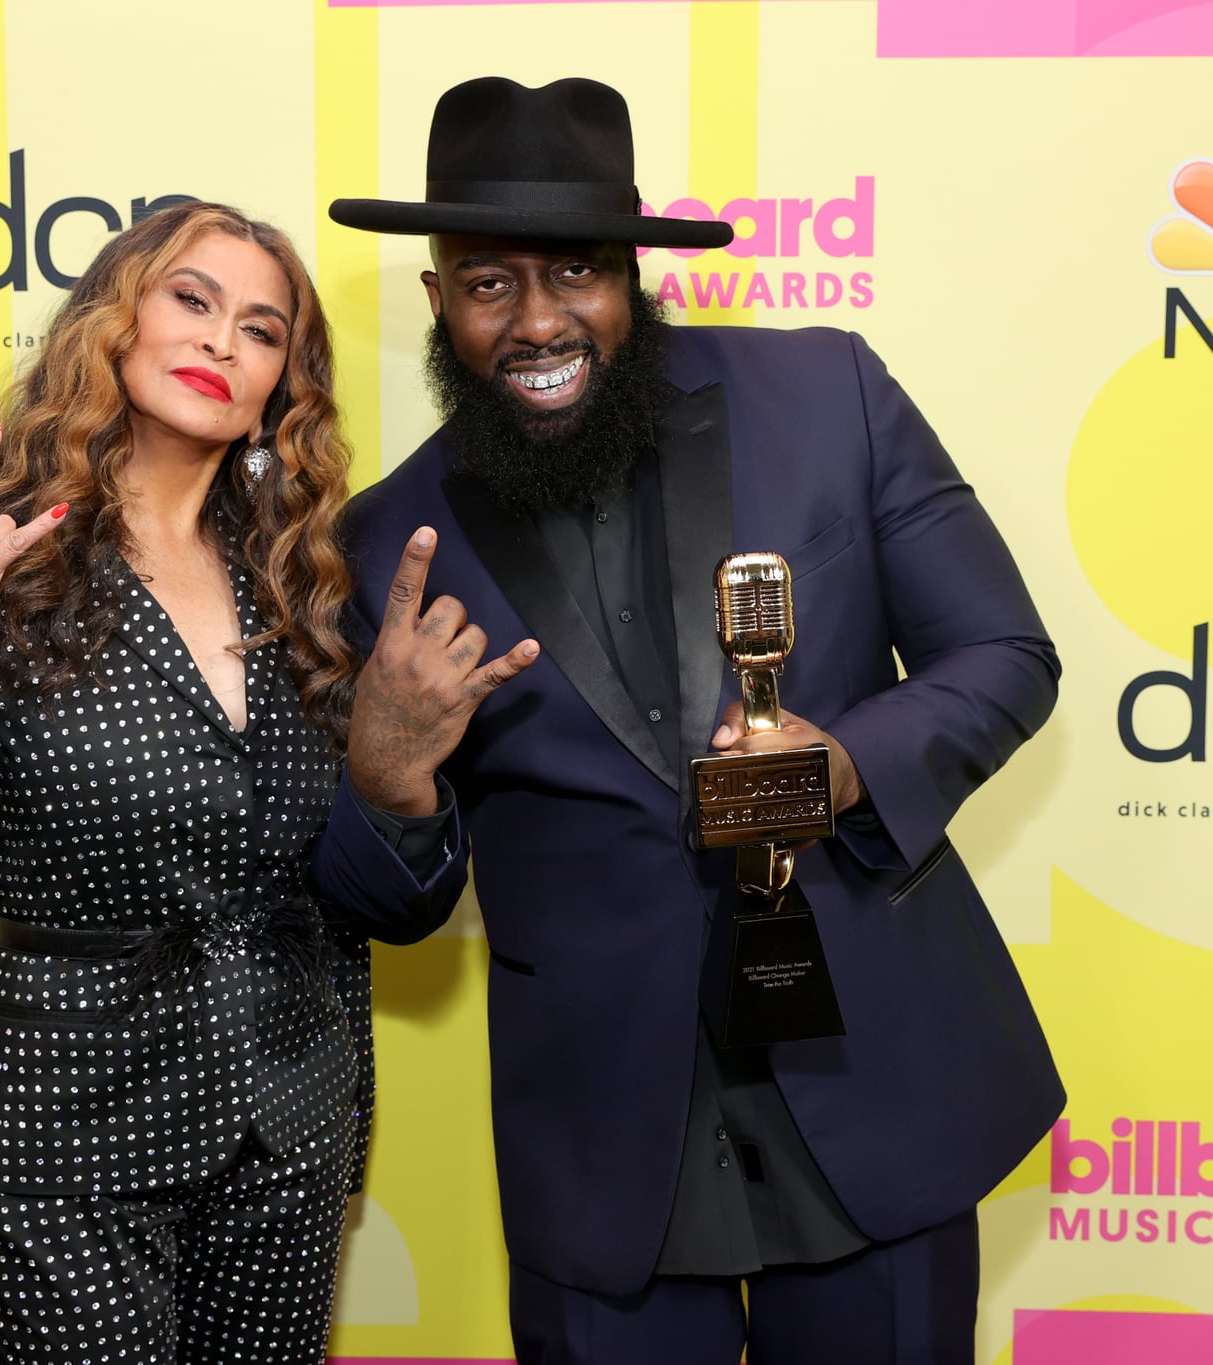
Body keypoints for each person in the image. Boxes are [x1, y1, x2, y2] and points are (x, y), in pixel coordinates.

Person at [307, 77, 1066, 1362]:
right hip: (603, 1148)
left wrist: (844, 767)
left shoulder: (827, 393)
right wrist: (385, 776)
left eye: (577, 273)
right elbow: (386, 909)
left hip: (868, 1087)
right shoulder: (388, 541)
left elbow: (1002, 652)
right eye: (489, 282)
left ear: (634, 275)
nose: (539, 320)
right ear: (434, 299)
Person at [0, 201, 375, 1364]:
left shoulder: (299, 576)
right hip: (60, 1123)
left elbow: (322, 883)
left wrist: (336, 1117)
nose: (219, 343)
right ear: (114, 318)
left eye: (259, 331)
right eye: (191, 301)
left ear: (279, 387)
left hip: (287, 1115)